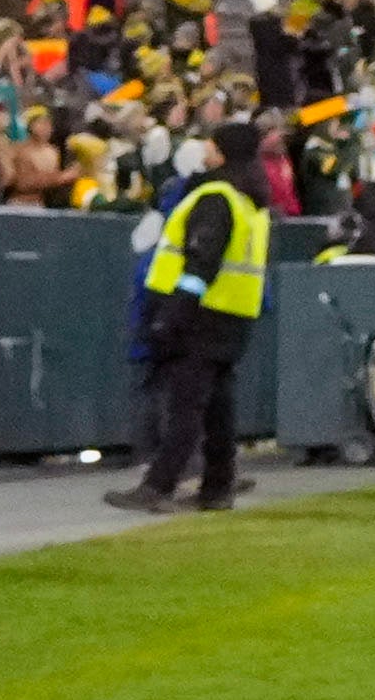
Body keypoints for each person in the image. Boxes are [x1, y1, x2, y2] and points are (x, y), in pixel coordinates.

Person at [112, 122, 273, 513]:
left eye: (211, 145)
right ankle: (217, 486)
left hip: (200, 315)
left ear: (221, 152)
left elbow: (201, 262)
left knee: (186, 405)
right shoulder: (250, 201)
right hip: (233, 315)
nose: (204, 150)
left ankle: (159, 485)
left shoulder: (216, 196)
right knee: (219, 407)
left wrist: (172, 314)